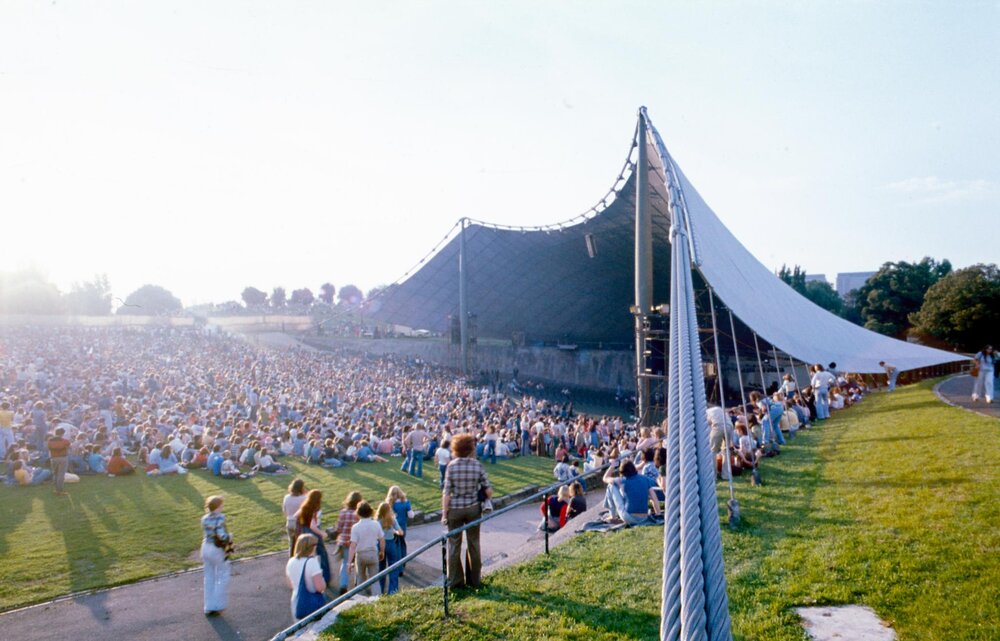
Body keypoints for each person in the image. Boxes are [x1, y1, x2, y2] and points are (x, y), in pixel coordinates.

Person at [441, 433, 492, 589]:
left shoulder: (452, 466)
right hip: (472, 508)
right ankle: (475, 580)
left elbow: (446, 493)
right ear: (470, 448)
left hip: (455, 509)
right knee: (474, 544)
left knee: (454, 544)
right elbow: (489, 490)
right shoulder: (477, 465)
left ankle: (455, 581)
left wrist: (444, 514)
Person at [602, 459, 660, 526]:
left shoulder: (621, 480)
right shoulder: (645, 479)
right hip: (644, 517)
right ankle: (613, 515)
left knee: (610, 486)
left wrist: (612, 466)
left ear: (622, 471)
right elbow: (654, 498)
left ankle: (612, 516)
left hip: (629, 517)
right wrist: (658, 514)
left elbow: (605, 478)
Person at [201, 495, 231, 616]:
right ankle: (218, 605)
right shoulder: (220, 517)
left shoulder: (204, 518)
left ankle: (208, 606)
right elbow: (221, 535)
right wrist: (229, 537)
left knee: (209, 577)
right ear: (218, 506)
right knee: (223, 575)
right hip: (216, 549)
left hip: (205, 547)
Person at [294, 489, 331, 586]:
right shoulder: (316, 509)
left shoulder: (305, 506)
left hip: (305, 530)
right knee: (322, 554)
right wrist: (322, 533)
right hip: (314, 531)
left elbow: (295, 516)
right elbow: (313, 526)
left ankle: (306, 576)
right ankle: (325, 577)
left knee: (307, 553)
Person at [286, 533, 327, 620]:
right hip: (312, 602)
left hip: (297, 601)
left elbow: (290, 584)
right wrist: (323, 581)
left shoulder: (291, 561)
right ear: (312, 547)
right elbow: (320, 587)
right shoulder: (312, 562)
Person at [347, 501, 384, 596]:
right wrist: (382, 551)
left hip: (360, 555)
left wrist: (349, 562)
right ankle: (377, 600)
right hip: (372, 553)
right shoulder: (376, 524)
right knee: (375, 580)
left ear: (358, 513)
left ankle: (361, 600)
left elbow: (352, 546)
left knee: (361, 579)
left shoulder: (355, 527)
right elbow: (382, 540)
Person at [332, 491, 363, 594]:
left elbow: (339, 529)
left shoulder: (343, 512)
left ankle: (343, 585)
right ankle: (358, 583)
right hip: (356, 543)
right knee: (358, 563)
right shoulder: (358, 514)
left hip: (344, 542)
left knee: (346, 563)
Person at [376, 502, 403, 595]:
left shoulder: (377, 521)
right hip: (391, 543)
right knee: (393, 567)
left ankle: (380, 590)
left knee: (381, 568)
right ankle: (393, 591)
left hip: (380, 545)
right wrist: (395, 531)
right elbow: (401, 532)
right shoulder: (392, 520)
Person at [387, 486, 413, 573]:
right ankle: (403, 562)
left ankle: (398, 566)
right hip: (402, 526)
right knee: (402, 544)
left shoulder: (390, 504)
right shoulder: (406, 502)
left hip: (393, 527)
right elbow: (411, 515)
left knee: (396, 546)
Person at [283, 479, 308, 557]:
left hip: (289, 522)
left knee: (291, 544)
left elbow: (284, 510)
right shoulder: (303, 498)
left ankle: (291, 559)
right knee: (301, 544)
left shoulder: (286, 497)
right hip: (299, 523)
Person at [47, 426, 71, 496]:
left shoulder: (50, 440)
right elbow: (69, 446)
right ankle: (59, 490)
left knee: (55, 473)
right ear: (62, 434)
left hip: (53, 458)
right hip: (63, 458)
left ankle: (55, 488)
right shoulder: (64, 441)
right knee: (61, 474)